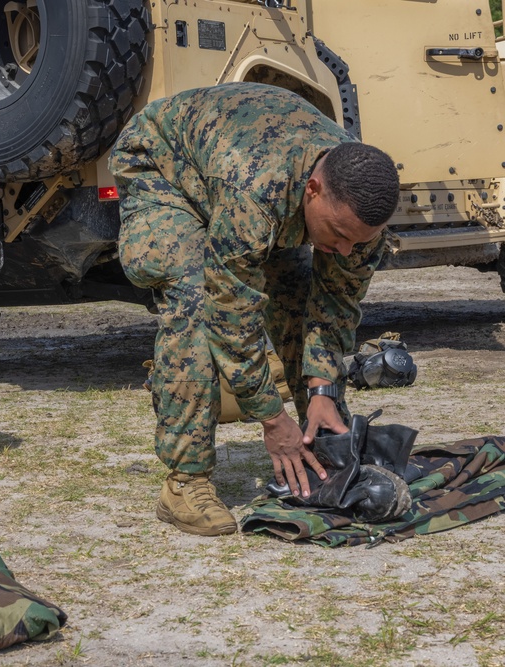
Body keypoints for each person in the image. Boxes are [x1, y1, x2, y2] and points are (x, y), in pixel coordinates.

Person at [109, 83, 400, 536]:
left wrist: (322, 388)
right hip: (162, 166)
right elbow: (231, 314)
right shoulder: (254, 191)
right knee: (193, 298)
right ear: (313, 189)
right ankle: (185, 483)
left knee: (298, 295)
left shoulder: (359, 214)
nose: (344, 250)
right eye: (338, 233)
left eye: (357, 241)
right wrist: (271, 417)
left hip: (242, 181)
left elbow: (335, 303)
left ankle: (321, 443)